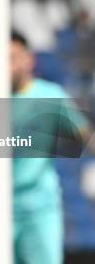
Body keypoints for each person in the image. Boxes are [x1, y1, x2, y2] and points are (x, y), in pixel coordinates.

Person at [10, 31, 90, 264]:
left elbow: (83, 134)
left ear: (28, 59)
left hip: (39, 205)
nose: (8, 65)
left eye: (13, 57)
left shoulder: (50, 95)